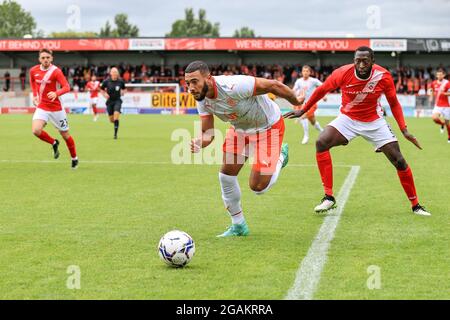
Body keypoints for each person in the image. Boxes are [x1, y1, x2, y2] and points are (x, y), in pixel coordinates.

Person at [284, 46, 430, 216]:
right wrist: (303, 110)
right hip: (348, 119)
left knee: (399, 161)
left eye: (365, 61)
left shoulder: (383, 76)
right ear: (354, 61)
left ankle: (416, 205)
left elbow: (394, 103)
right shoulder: (342, 73)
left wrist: (404, 130)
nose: (361, 64)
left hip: (374, 122)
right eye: (357, 60)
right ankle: (328, 197)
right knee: (321, 142)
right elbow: (322, 90)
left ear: (372, 61)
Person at [185, 60, 302, 237]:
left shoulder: (234, 85)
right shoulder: (201, 100)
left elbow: (274, 85)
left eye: (194, 81)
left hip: (268, 127)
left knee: (258, 188)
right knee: (225, 176)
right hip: (239, 131)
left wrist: (297, 102)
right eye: (187, 83)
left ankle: (280, 158)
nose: (191, 88)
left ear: (208, 78)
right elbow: (208, 134)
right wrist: (199, 142)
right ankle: (238, 225)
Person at [29, 48, 78, 169]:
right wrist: (35, 95)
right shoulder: (33, 70)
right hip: (42, 107)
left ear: (51, 58)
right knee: (36, 130)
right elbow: (32, 81)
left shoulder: (56, 71)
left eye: (47, 58)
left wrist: (57, 93)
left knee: (65, 134)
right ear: (39, 59)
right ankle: (53, 142)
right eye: (43, 58)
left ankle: (74, 158)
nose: (45, 60)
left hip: (56, 108)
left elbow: (66, 87)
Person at [292, 65, 326, 144]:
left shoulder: (314, 81)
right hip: (302, 104)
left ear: (310, 72)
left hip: (311, 103)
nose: (305, 73)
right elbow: (294, 90)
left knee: (303, 117)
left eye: (307, 71)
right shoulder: (299, 81)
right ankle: (322, 131)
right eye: (304, 71)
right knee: (312, 121)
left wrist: (324, 96)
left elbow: (323, 87)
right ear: (301, 72)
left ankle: (306, 136)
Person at [100, 67, 126, 139]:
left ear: (117, 73)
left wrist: (123, 92)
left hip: (117, 100)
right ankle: (115, 122)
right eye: (113, 72)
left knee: (116, 115)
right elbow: (101, 90)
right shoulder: (106, 81)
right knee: (112, 120)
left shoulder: (121, 81)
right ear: (110, 73)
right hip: (109, 101)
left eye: (116, 72)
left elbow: (124, 89)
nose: (115, 73)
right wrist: (105, 94)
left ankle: (115, 134)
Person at [428, 68, 450, 142]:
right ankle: (442, 123)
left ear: (444, 75)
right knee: (434, 118)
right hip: (438, 105)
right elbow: (431, 90)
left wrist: (444, 93)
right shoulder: (434, 83)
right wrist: (431, 96)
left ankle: (449, 137)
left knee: (448, 123)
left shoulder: (447, 83)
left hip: (446, 106)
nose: (439, 76)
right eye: (438, 75)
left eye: (440, 75)